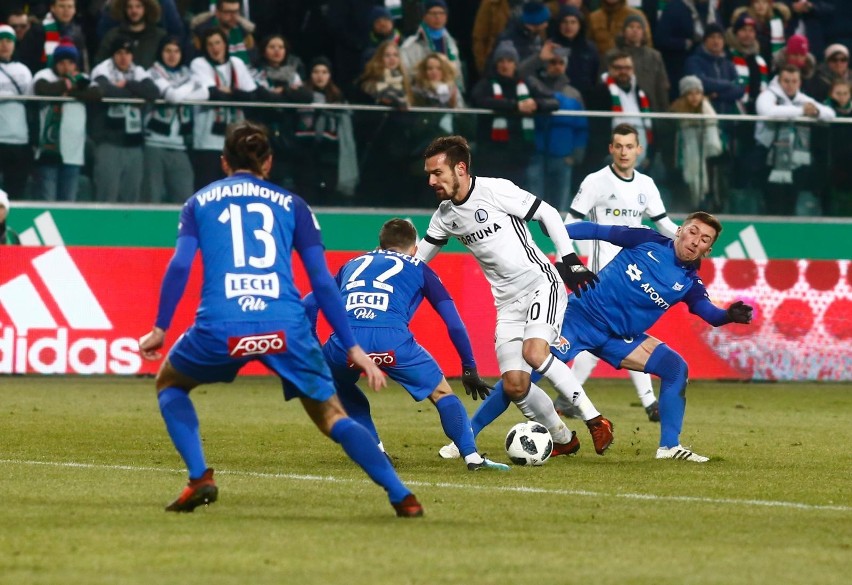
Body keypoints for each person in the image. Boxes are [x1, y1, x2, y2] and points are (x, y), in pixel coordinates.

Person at [137, 121, 423, 518]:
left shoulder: (199, 202)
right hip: (285, 325)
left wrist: (160, 328)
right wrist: (353, 347)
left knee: (170, 382)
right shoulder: (294, 205)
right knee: (330, 416)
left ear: (223, 162)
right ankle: (400, 494)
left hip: (222, 323)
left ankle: (200, 475)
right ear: (268, 162)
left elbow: (181, 264)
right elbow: (322, 282)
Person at [450, 211, 754, 462]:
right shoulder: (646, 238)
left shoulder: (690, 282)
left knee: (676, 368)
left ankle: (669, 447)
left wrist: (729, 315)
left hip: (619, 338)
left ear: (708, 250)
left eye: (704, 239)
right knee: (522, 378)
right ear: (680, 231)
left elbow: (709, 313)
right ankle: (465, 437)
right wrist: (559, 229)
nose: (695, 241)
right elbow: (597, 230)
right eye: (692, 232)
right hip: (579, 318)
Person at [418, 135, 614, 459]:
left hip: (541, 283)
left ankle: (595, 419)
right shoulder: (445, 215)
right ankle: (564, 439)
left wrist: (570, 261)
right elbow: (417, 261)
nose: (431, 181)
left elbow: (548, 213)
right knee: (515, 385)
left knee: (535, 353)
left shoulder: (496, 190)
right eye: (429, 174)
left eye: (437, 173)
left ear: (461, 168)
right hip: (507, 304)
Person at [303, 218, 509, 472]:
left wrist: (314, 349)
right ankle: (473, 458)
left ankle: (376, 451)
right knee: (442, 393)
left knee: (339, 385)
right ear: (414, 248)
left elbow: (310, 304)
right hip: (393, 340)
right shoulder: (420, 267)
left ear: (380, 245)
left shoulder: (351, 265)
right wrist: (468, 366)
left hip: (345, 343)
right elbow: (454, 324)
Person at [553, 123, 679, 423]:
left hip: (636, 276)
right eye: (618, 146)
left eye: (629, 146)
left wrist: (687, 240)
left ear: (639, 149)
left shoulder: (646, 185)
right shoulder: (596, 182)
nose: (624, 152)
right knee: (608, 336)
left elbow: (663, 223)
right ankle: (648, 403)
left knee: (621, 335)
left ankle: (566, 398)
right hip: (600, 278)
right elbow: (569, 223)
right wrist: (568, 262)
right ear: (611, 149)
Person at [754, 64, 835, 215]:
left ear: (799, 82)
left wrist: (816, 111)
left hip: (794, 162)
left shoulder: (802, 99)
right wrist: (801, 111)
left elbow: (830, 113)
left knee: (791, 202)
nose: (790, 85)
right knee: (771, 203)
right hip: (768, 158)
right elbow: (768, 112)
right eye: (786, 81)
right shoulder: (768, 95)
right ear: (779, 80)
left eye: (794, 81)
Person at [90, 35, 160, 202]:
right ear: (113, 55)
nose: (124, 57)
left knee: (132, 197)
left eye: (128, 53)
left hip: (134, 144)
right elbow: (105, 91)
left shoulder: (137, 70)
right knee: (107, 196)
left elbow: (153, 92)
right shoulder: (102, 69)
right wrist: (136, 93)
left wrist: (128, 85)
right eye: (120, 53)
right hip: (108, 143)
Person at [30, 41, 101, 202]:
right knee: (47, 199)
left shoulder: (83, 78)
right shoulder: (44, 75)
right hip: (48, 151)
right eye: (61, 63)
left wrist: (68, 89)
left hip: (73, 152)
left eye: (70, 63)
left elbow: (96, 94)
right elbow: (42, 89)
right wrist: (68, 84)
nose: (66, 67)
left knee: (68, 201)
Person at [189, 28, 258, 190]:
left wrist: (230, 91)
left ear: (226, 45)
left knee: (235, 190)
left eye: (218, 43)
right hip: (207, 141)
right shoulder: (199, 64)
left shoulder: (237, 63)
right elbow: (213, 94)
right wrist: (235, 93)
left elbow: (252, 96)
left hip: (236, 142)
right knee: (208, 190)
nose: (215, 48)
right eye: (210, 44)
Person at [144, 36, 206, 203]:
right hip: (154, 145)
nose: (172, 55)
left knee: (184, 198)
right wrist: (191, 86)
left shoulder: (187, 73)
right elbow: (172, 96)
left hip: (180, 145)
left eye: (176, 51)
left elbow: (205, 93)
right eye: (168, 51)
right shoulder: (151, 73)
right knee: (152, 197)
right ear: (160, 53)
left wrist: (182, 91)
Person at [669, 76, 723, 209]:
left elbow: (713, 134)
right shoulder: (675, 112)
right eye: (690, 93)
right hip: (683, 157)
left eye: (698, 93)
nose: (694, 97)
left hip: (706, 157)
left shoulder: (707, 110)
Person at [0, 24, 33, 201]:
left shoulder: (24, 71)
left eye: (8, 41)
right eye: (1, 40)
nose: (4, 45)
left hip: (19, 140)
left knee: (16, 191)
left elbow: (30, 104)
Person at [95, 0, 166, 69]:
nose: (134, 11)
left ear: (146, 8)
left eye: (138, 6)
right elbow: (100, 64)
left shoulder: (159, 36)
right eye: (129, 7)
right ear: (124, 9)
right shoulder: (113, 36)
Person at [191, 0, 256, 64]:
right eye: (228, 12)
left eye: (236, 12)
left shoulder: (244, 31)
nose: (233, 16)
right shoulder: (202, 33)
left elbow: (254, 59)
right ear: (217, 13)